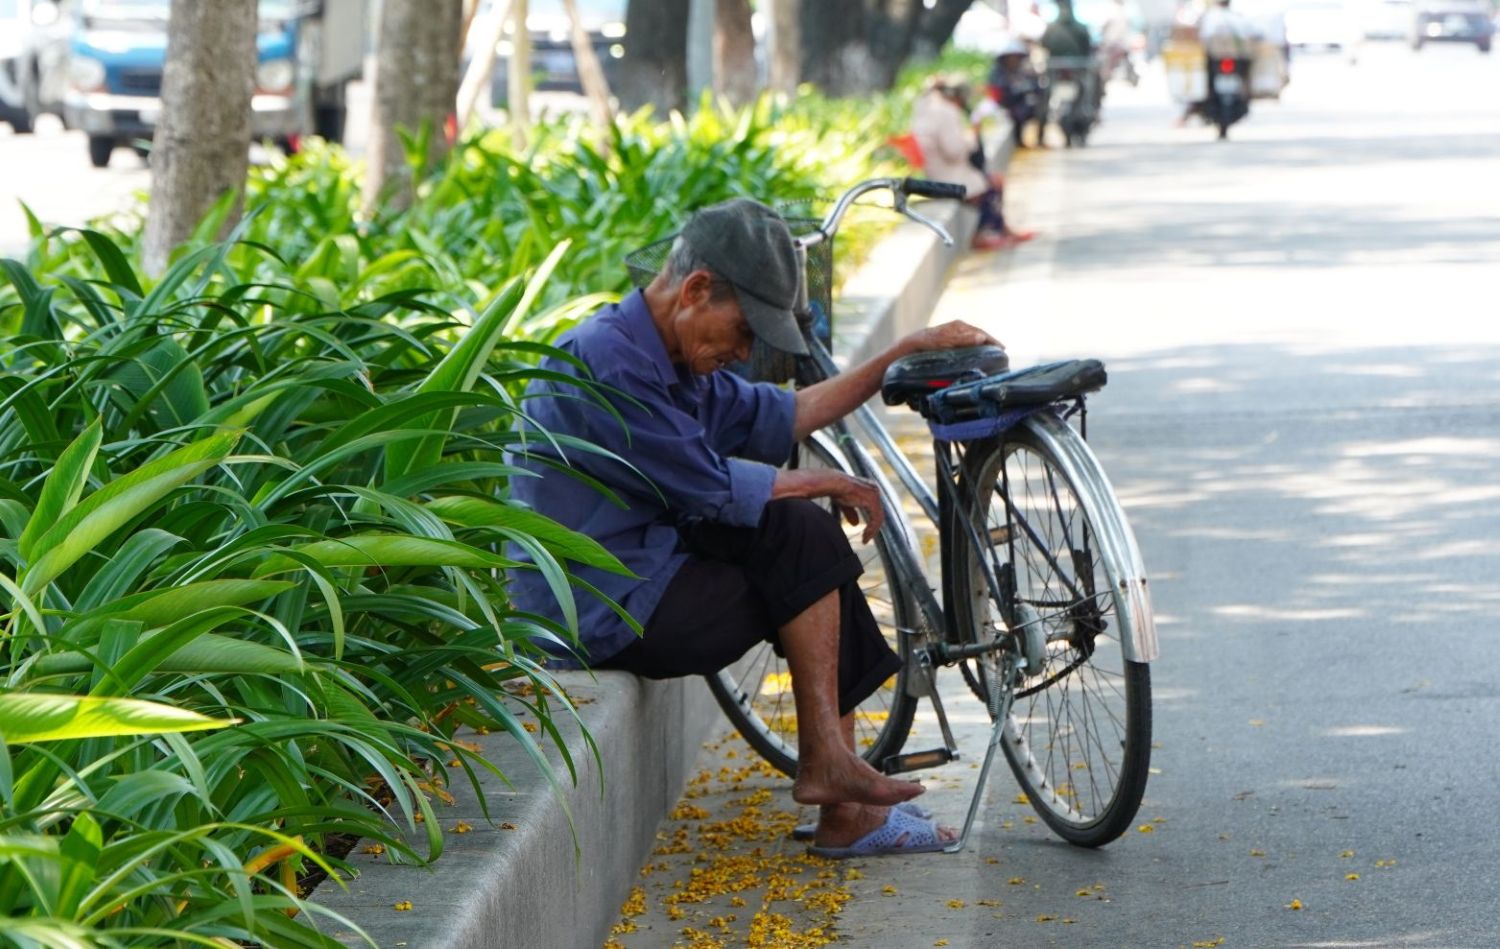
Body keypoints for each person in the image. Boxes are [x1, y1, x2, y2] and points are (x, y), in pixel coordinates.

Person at [508, 198, 1001, 857]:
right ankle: (837, 786)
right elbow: (707, 483)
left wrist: (900, 354)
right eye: (742, 331)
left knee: (804, 536)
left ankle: (835, 779)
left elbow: (787, 413)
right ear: (697, 289)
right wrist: (830, 480)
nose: (743, 351)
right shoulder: (606, 362)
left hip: (658, 565)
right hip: (604, 609)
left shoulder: (680, 354)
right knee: (807, 556)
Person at [910, 76, 1035, 251]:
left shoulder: (925, 108)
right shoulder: (945, 112)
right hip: (948, 177)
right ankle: (984, 235)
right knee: (993, 185)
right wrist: (972, 136)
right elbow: (954, 151)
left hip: (938, 173)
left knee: (991, 181)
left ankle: (1002, 231)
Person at [985, 38, 1044, 148]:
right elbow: (998, 92)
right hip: (1003, 104)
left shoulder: (1022, 71)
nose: (1014, 60)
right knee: (1017, 114)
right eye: (1011, 58)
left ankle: (1039, 138)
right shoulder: (998, 73)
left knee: (1038, 109)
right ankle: (1018, 141)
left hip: (1019, 103)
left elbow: (1034, 86)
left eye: (1016, 57)